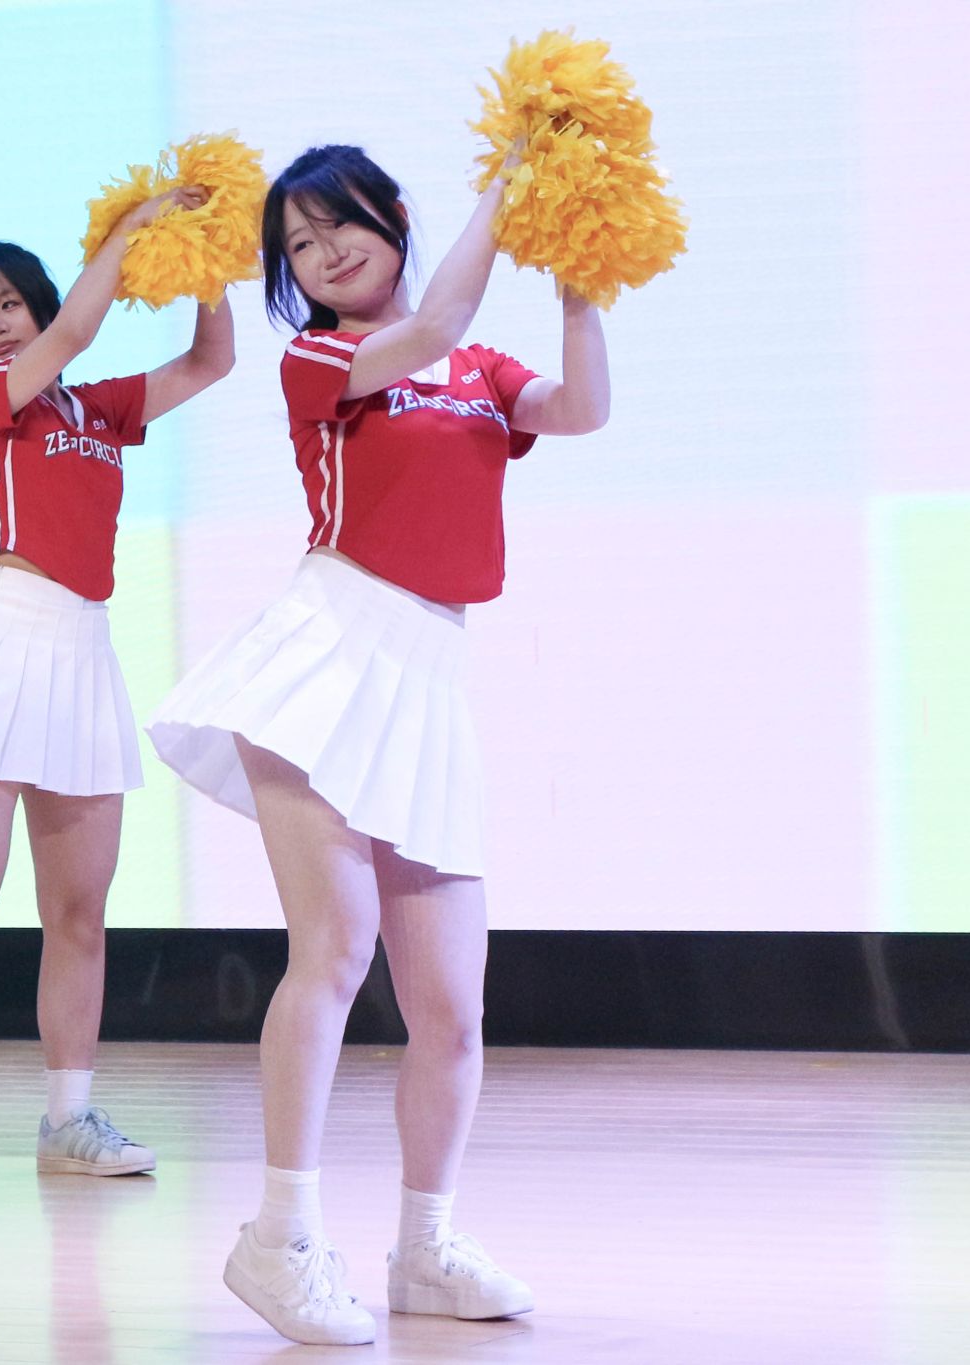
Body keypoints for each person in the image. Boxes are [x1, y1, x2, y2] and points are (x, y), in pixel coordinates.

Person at [147, 144, 611, 1345]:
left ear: (391, 216)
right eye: (297, 246)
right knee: (333, 951)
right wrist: (514, 177)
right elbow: (438, 314)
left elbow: (580, 409)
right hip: (325, 655)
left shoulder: (480, 369)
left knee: (450, 1007)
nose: (322, 254)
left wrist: (579, 284)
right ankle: (278, 1239)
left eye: (337, 225)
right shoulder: (319, 359)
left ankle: (424, 1246)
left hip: (427, 674)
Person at [0, 188, 235, 1196]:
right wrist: (131, 230)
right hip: (1, 647)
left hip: (83, 654)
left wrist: (203, 260)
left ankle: (68, 1118)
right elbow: (75, 331)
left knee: (79, 913)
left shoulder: (97, 408)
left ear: (36, 303)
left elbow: (211, 361)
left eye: (8, 304)